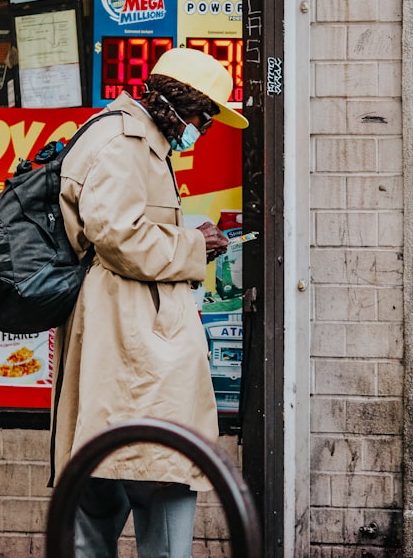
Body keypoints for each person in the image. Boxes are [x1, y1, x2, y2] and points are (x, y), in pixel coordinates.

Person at [53, 48, 249, 558]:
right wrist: (194, 245)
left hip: (127, 333)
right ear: (180, 104)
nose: (202, 132)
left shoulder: (131, 138)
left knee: (107, 487)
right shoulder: (125, 141)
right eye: (204, 119)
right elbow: (115, 234)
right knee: (156, 473)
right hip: (132, 338)